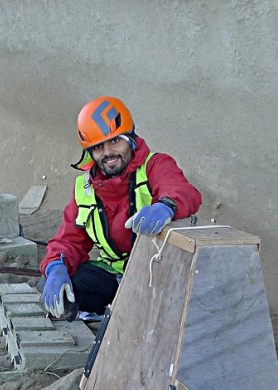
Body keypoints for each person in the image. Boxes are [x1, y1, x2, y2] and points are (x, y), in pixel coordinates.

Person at [39, 96, 202, 319]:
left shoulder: (155, 165)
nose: (107, 153)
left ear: (131, 139)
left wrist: (166, 206)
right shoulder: (85, 188)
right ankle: (109, 314)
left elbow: (183, 191)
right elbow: (68, 241)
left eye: (115, 141)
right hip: (116, 278)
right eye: (97, 147)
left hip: (157, 278)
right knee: (60, 285)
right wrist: (55, 268)